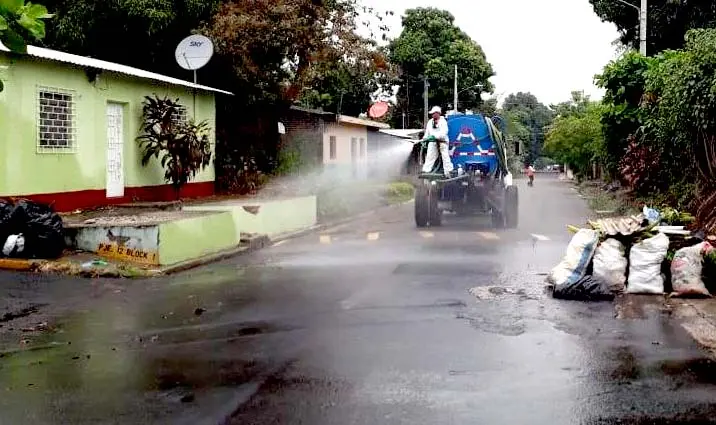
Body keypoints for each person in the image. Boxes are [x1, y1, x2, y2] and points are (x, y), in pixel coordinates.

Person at [421, 106, 454, 177]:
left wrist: (435, 136)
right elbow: (427, 133)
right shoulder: (430, 122)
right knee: (430, 156)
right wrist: (425, 139)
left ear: (438, 113)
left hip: (442, 142)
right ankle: (426, 171)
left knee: (445, 156)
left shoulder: (443, 121)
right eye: (432, 114)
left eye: (434, 113)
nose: (432, 115)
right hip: (432, 142)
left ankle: (448, 172)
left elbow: (444, 132)